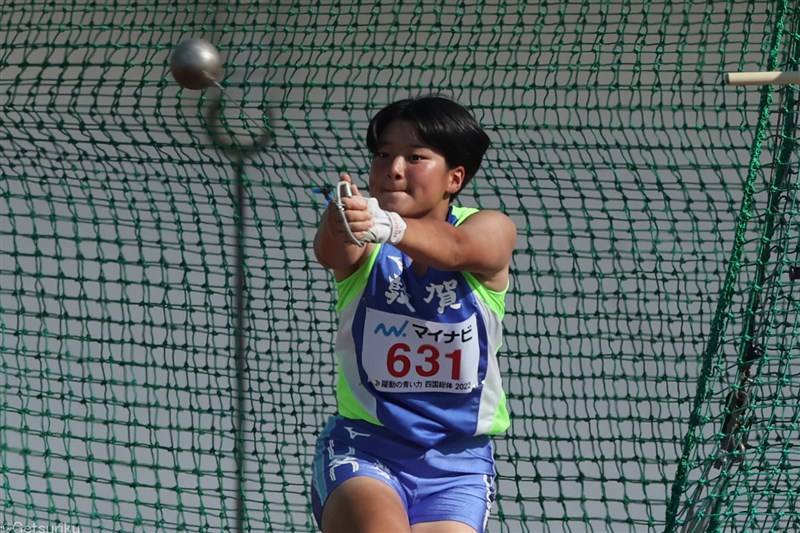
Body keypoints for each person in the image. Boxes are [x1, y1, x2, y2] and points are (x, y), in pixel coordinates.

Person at [311, 95, 517, 533]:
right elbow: (332, 249)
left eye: (415, 157)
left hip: (458, 462)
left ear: (454, 178)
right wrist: (340, 220)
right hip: (366, 449)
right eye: (383, 154)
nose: (394, 168)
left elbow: (459, 250)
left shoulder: (490, 227)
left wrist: (388, 224)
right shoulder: (364, 237)